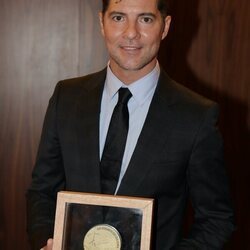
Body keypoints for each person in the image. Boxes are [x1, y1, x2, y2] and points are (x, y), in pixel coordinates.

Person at [26, 0, 235, 249]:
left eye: (145, 19)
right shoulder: (67, 98)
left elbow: (216, 220)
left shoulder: (197, 116)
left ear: (165, 27)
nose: (131, 33)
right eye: (118, 18)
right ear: (102, 23)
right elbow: (42, 191)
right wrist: (47, 242)